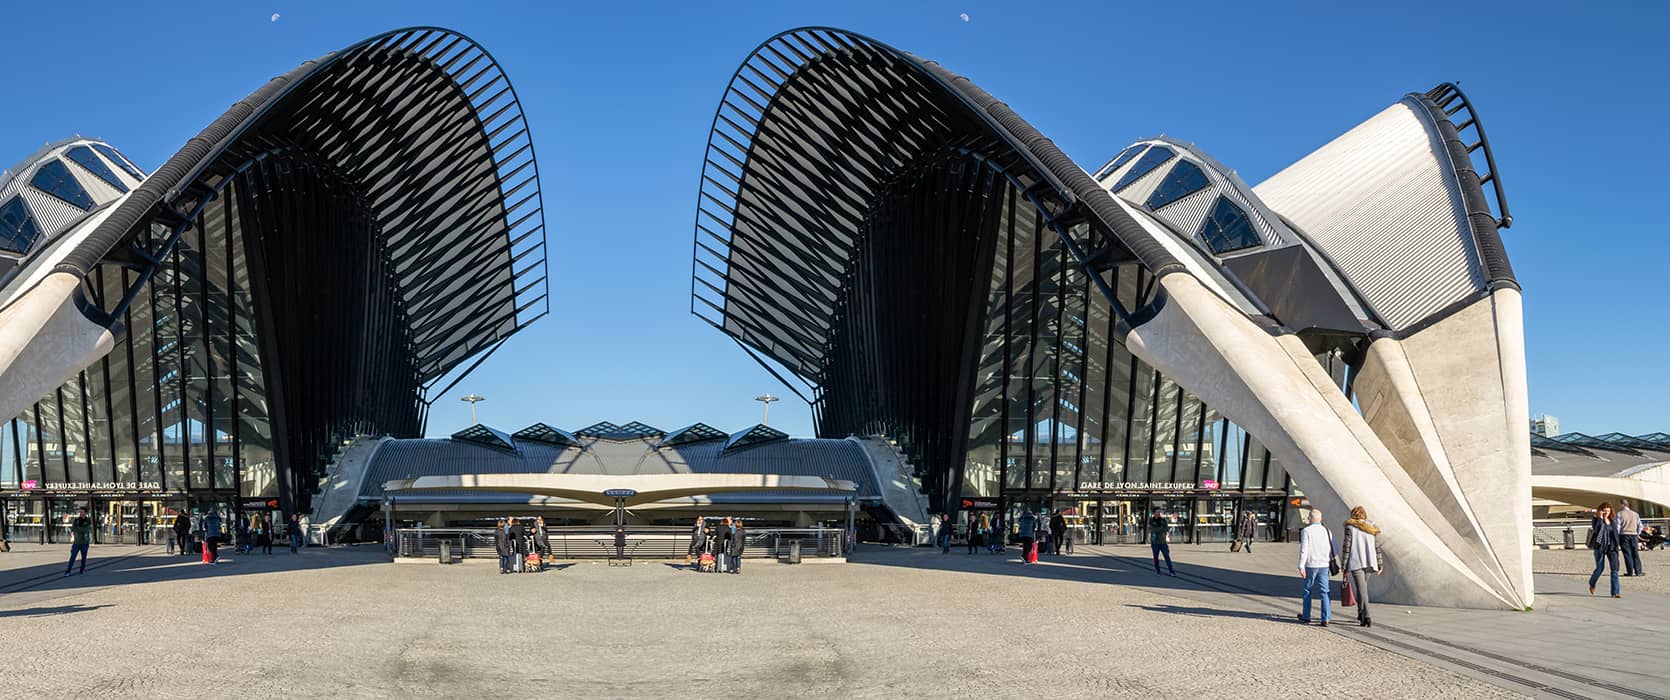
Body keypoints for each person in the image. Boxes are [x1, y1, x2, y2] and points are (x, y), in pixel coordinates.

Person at [1340, 506, 1384, 628]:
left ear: (1353, 515)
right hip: (1370, 562)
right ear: (1364, 515)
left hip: (1356, 562)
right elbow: (1377, 547)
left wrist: (1344, 565)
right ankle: (1360, 613)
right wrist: (1380, 564)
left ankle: (1367, 616)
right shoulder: (1371, 527)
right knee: (1362, 588)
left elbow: (1346, 548)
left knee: (1362, 589)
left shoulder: (1350, 527)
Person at [1296, 509, 1334, 626]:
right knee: (1325, 591)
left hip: (1311, 565)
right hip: (1324, 565)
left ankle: (1306, 615)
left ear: (1310, 518)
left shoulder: (1306, 531)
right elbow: (1334, 547)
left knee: (1308, 590)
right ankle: (1325, 618)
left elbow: (1304, 549)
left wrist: (1301, 565)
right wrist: (1327, 557)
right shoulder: (1327, 531)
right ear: (1320, 518)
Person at [1589, 502, 1622, 598]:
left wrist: (1617, 547)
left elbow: (1615, 534)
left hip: (1611, 548)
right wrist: (1600, 518)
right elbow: (1596, 529)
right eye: (1605, 511)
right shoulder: (1596, 520)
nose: (1607, 512)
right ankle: (1592, 583)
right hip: (1600, 547)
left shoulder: (1612, 521)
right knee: (1600, 568)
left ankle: (1615, 592)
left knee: (1614, 570)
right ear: (1601, 510)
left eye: (1608, 511)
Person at [1616, 499, 1644, 577]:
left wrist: (1616, 536)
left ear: (1622, 504)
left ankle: (1630, 571)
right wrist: (1637, 533)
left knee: (1627, 553)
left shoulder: (1619, 514)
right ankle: (1638, 571)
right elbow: (1640, 526)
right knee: (1635, 553)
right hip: (1634, 535)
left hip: (1624, 535)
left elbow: (1618, 526)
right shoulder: (1635, 514)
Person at [64, 507, 92, 576]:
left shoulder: (88, 521)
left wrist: (78, 528)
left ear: (85, 513)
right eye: (80, 512)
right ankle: (68, 571)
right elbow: (73, 529)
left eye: (82, 512)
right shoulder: (76, 520)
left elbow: (85, 530)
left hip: (84, 542)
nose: (81, 513)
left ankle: (82, 570)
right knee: (72, 557)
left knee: (84, 558)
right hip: (76, 542)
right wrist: (79, 529)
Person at [1147, 509, 1175, 576]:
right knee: (1156, 557)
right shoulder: (1151, 521)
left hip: (1163, 542)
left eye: (1159, 512)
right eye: (1157, 512)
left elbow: (1166, 529)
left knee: (1167, 556)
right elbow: (1153, 529)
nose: (1159, 513)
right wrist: (1161, 529)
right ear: (1154, 513)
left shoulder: (1163, 520)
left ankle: (1171, 571)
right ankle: (1157, 571)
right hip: (1155, 542)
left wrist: (1159, 529)